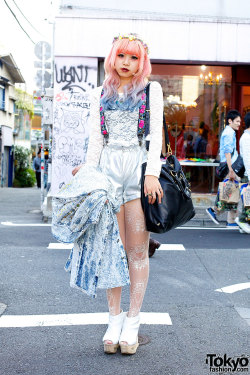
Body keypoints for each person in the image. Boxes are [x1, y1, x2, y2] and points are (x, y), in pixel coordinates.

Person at [72, 33, 163, 355]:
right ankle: (114, 320)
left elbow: (155, 136)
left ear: (142, 61)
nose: (127, 63)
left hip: (137, 172)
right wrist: (88, 171)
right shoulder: (100, 93)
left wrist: (151, 174)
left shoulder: (152, 90)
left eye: (134, 57)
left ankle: (133, 322)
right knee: (110, 251)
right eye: (122, 56)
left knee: (137, 252)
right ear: (113, 57)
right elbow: (96, 141)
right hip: (107, 175)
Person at [206, 110, 241, 227]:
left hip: (230, 165)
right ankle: (216, 210)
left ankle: (230, 220)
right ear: (230, 121)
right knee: (230, 190)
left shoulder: (230, 132)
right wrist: (231, 170)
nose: (239, 124)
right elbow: (227, 153)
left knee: (231, 190)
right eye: (237, 121)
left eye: (240, 121)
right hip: (229, 166)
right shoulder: (229, 133)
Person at [235, 112, 250, 233]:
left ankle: (244, 224)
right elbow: (247, 159)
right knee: (248, 198)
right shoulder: (246, 138)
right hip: (248, 174)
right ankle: (242, 220)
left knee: (248, 198)